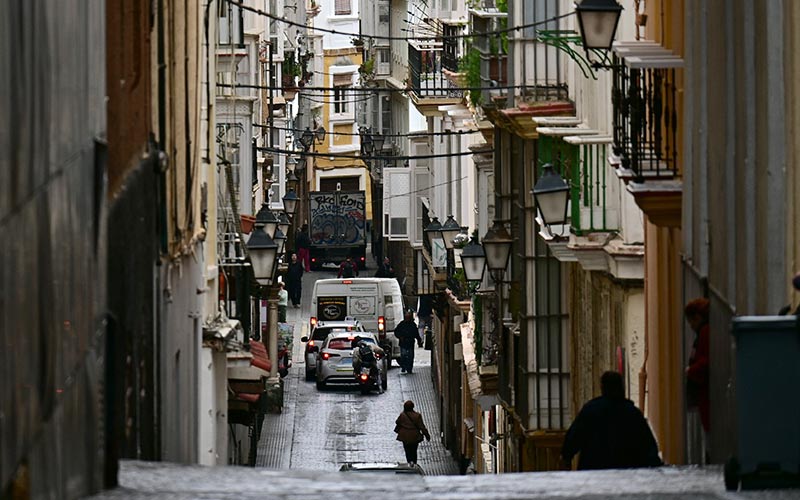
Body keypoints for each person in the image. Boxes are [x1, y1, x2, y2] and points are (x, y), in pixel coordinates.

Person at [562, 371, 662, 470]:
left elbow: (574, 437)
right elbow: (648, 446)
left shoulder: (590, 410)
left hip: (594, 472)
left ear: (603, 388)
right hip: (627, 473)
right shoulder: (632, 413)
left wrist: (566, 457)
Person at [685, 297, 710, 434]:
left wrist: (691, 370)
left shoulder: (705, 332)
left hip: (705, 390)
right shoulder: (704, 331)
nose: (691, 326)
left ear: (698, 317)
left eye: (692, 321)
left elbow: (706, 360)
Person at [394, 400, 430, 465]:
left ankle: (409, 462)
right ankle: (414, 462)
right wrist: (427, 435)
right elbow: (422, 427)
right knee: (414, 450)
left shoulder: (402, 415)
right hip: (414, 436)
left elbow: (397, 422)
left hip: (405, 436)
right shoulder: (417, 415)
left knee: (407, 451)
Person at [394, 310, 422, 374]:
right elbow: (396, 332)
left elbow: (416, 333)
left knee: (410, 356)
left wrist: (419, 340)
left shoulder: (412, 325)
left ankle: (409, 368)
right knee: (403, 355)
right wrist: (400, 337)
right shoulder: (401, 324)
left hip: (410, 342)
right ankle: (404, 367)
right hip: (403, 342)